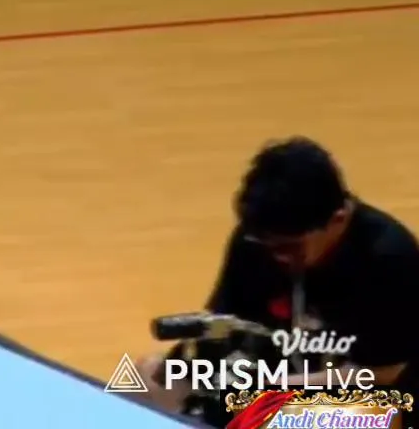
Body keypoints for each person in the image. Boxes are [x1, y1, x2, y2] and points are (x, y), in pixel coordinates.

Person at [136, 137, 419, 416]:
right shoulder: (257, 239)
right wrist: (181, 375)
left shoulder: (390, 258)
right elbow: (225, 325)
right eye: (267, 245)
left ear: (338, 219)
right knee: (144, 378)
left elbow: (385, 371)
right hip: (278, 375)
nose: (278, 257)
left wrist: (272, 388)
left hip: (365, 394)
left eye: (290, 247)